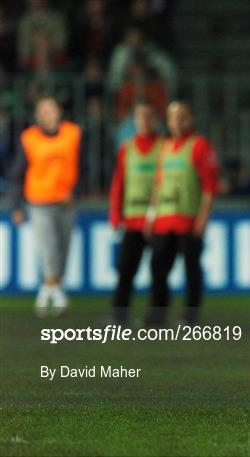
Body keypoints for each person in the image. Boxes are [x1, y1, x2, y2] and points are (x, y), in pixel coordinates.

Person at [144, 101, 219, 327]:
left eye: (181, 116)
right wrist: (151, 216)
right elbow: (158, 185)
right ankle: (157, 317)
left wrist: (203, 218)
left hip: (188, 219)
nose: (176, 122)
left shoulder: (200, 146)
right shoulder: (164, 147)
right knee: (158, 270)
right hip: (164, 219)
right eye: (172, 117)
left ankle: (190, 317)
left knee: (191, 270)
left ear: (190, 119)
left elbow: (209, 186)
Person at [8, 95, 81, 316]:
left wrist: (75, 192)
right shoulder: (29, 139)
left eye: (52, 109)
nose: (49, 115)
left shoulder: (73, 134)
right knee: (48, 249)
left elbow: (84, 166)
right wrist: (17, 206)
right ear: (38, 116)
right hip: (39, 202)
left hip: (66, 202)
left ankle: (48, 289)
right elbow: (17, 174)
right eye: (44, 111)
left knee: (63, 248)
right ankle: (56, 293)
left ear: (60, 111)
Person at [108, 101, 163, 325]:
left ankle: (156, 317)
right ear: (135, 121)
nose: (145, 121)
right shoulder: (127, 148)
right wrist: (115, 215)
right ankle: (119, 316)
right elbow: (119, 183)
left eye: (149, 116)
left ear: (155, 120)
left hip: (158, 220)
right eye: (140, 117)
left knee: (158, 270)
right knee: (125, 269)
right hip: (132, 219)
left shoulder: (164, 146)